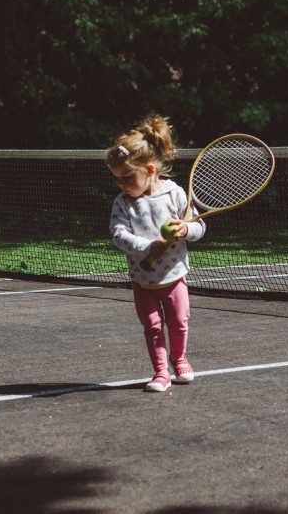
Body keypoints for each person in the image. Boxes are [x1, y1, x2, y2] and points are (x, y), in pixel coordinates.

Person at [106, 114, 205, 392]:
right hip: (143, 280)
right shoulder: (122, 203)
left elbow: (199, 227)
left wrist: (186, 229)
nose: (122, 184)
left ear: (150, 169)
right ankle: (161, 372)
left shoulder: (174, 194)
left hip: (174, 277)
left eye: (127, 177)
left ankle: (180, 358)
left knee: (179, 322)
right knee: (152, 327)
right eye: (118, 179)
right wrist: (147, 247)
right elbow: (118, 235)